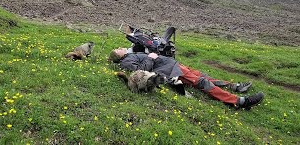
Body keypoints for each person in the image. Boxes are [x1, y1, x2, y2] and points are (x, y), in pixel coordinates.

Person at [109, 48, 264, 110]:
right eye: (118, 49)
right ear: (119, 55)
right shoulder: (126, 61)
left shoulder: (131, 54)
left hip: (172, 64)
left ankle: (235, 86)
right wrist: (151, 57)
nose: (121, 47)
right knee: (201, 82)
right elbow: (141, 71)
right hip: (169, 69)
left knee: (203, 76)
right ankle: (239, 101)